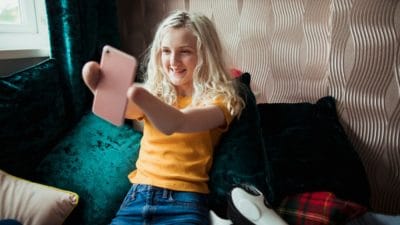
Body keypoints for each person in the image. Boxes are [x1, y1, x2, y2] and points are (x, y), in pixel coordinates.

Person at [82, 10, 245, 225]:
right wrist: (98, 86)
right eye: (166, 51)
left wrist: (142, 96)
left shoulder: (220, 100)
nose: (173, 60)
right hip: (137, 196)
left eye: (184, 51)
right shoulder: (155, 94)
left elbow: (180, 122)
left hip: (184, 201)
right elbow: (122, 107)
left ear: (206, 55)